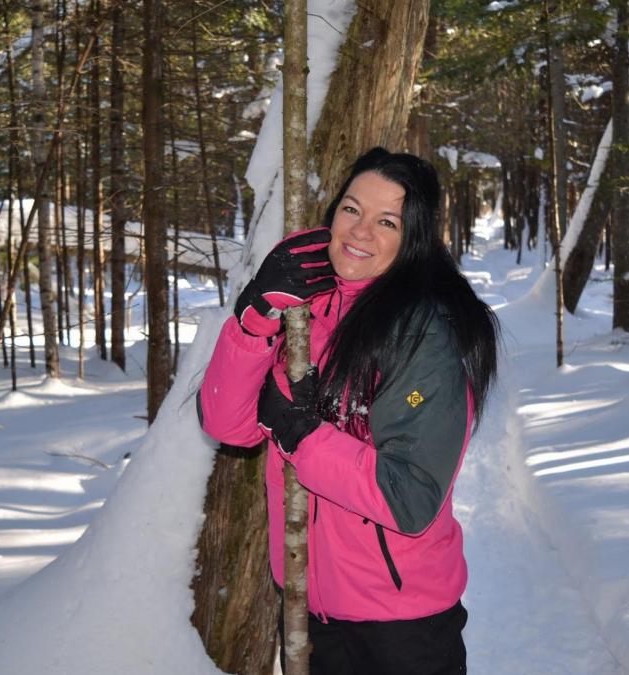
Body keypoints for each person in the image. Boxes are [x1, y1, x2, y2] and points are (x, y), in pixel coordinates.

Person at [197, 147, 500, 675]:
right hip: (309, 615)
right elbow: (228, 425)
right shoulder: (305, 311)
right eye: (351, 209)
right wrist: (257, 313)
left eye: (387, 221)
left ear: (414, 240)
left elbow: (409, 495)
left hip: (403, 631)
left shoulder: (424, 333)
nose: (360, 232)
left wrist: (301, 433)